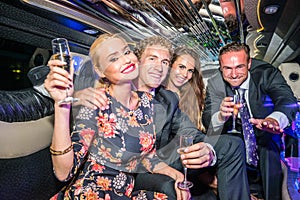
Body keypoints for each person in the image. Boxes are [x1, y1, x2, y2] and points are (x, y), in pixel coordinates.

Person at [44, 33, 190, 199]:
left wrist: (178, 177)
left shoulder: (147, 102)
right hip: (91, 192)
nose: (126, 60)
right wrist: (62, 105)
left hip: (123, 192)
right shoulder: (96, 102)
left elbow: (148, 157)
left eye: (127, 52)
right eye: (113, 59)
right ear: (100, 71)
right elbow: (64, 173)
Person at [202, 41, 299, 199]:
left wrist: (274, 120)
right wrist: (220, 115)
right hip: (237, 139)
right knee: (233, 146)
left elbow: (287, 100)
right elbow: (207, 117)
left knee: (269, 148)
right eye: (227, 68)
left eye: (239, 66)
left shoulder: (266, 73)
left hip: (266, 137)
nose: (233, 74)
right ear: (220, 67)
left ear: (249, 63)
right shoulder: (215, 83)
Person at [164, 45, 206, 131]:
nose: (185, 74)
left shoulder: (192, 98)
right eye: (181, 67)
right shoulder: (155, 94)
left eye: (190, 70)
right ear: (170, 65)